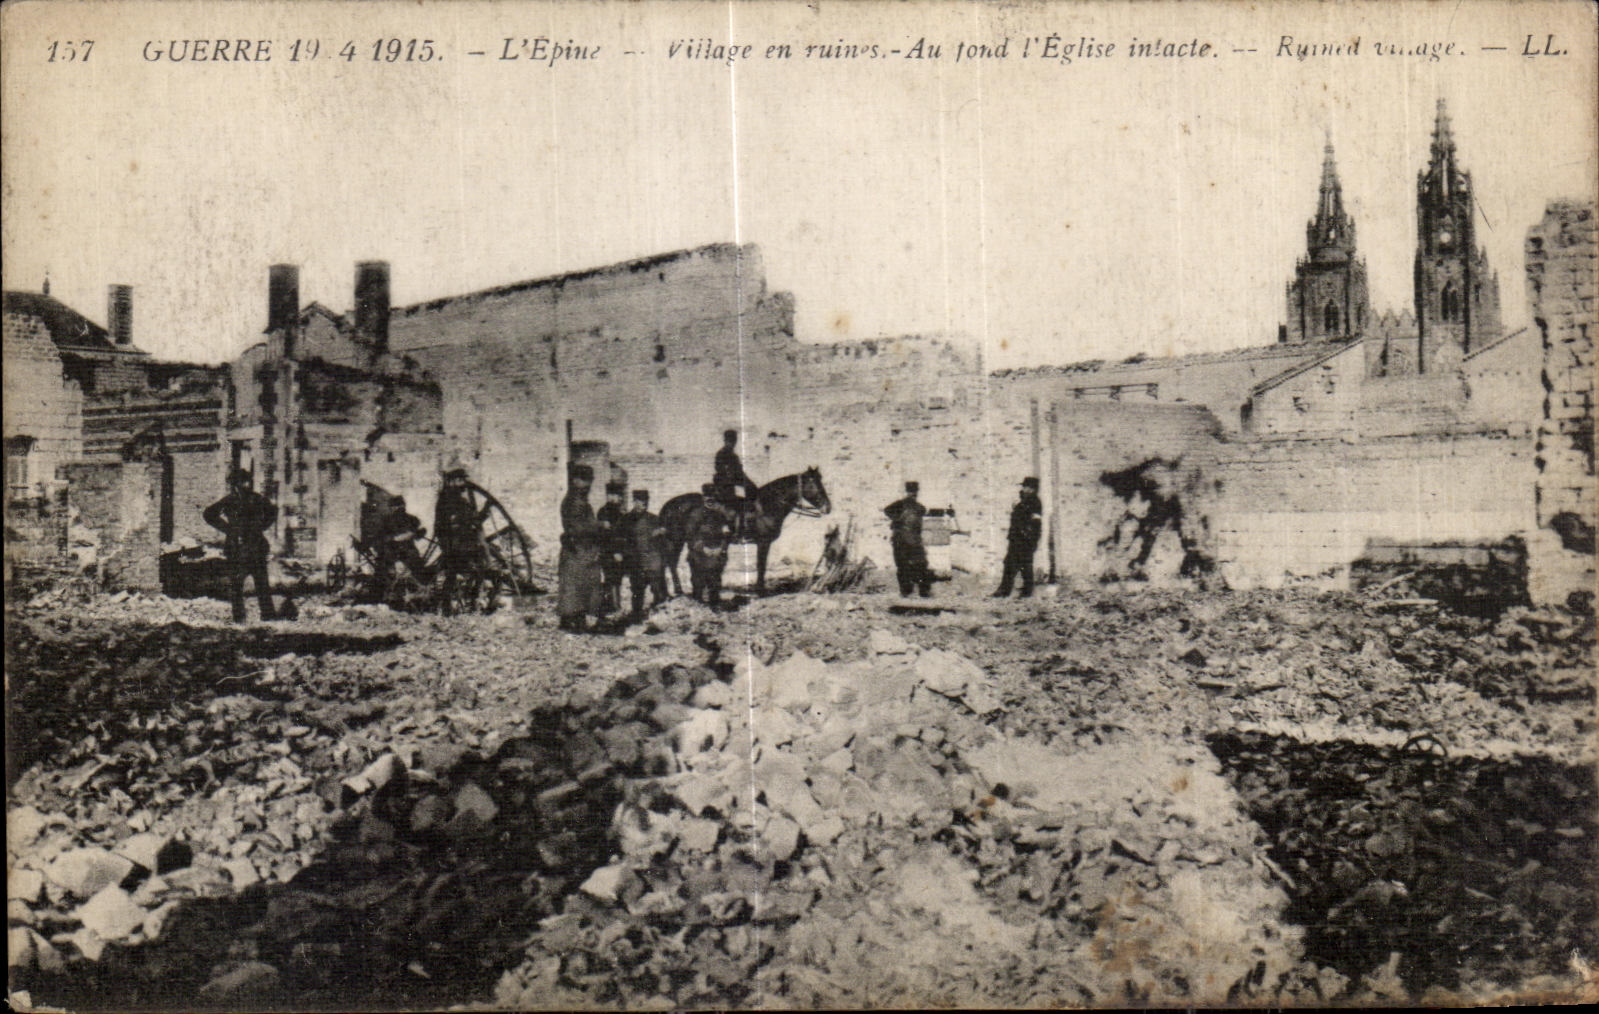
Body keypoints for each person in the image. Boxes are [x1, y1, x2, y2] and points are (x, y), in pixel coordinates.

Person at [204, 467, 278, 622]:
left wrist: (261, 527)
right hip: (238, 548)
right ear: (234, 484)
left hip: (254, 546)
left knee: (261, 583)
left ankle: (268, 616)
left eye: (245, 482)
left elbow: (272, 511)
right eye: (239, 483)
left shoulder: (257, 499)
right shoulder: (230, 500)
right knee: (237, 585)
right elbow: (209, 513)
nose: (243, 485)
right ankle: (240, 618)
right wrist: (228, 530)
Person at [557, 464, 608, 631]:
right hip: (578, 549)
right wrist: (600, 525)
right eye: (584, 481)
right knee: (574, 584)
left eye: (589, 481)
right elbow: (578, 527)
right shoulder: (575, 502)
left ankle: (578, 619)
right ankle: (571, 620)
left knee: (584, 584)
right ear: (575, 480)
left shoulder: (578, 500)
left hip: (582, 549)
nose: (588, 485)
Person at [433, 468, 481, 615]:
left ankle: (464, 602)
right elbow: (451, 522)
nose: (463, 483)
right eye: (460, 480)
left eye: (463, 480)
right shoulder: (448, 498)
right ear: (452, 481)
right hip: (454, 543)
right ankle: (452, 606)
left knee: (458, 573)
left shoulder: (455, 498)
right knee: (455, 573)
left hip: (459, 542)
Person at [995, 476, 1044, 598]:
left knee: (1024, 564)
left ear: (1032, 489)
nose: (1023, 488)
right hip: (1016, 538)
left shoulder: (1035, 502)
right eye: (1023, 486)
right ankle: (1006, 590)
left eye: (1026, 486)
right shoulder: (1024, 501)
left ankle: (1024, 591)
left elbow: (1036, 523)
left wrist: (1031, 538)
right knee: (1011, 563)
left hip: (1024, 539)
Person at [623, 489, 669, 619]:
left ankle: (658, 615)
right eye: (638, 501)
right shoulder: (626, 520)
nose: (642, 504)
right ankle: (636, 614)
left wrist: (661, 533)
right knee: (637, 588)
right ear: (634, 502)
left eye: (644, 502)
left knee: (657, 587)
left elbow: (663, 541)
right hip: (635, 559)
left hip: (652, 559)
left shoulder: (654, 519)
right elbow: (621, 539)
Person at [883, 480, 932, 598]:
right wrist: (897, 520)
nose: (913, 494)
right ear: (908, 492)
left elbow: (924, 513)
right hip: (902, 539)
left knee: (919, 564)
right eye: (911, 492)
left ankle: (921, 591)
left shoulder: (919, 507)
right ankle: (907, 591)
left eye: (914, 492)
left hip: (912, 539)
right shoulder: (900, 504)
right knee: (904, 565)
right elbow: (887, 510)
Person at [712, 429, 758, 538]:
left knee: (750, 496)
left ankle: (747, 526)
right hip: (724, 486)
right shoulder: (721, 454)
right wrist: (736, 482)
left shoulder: (734, 456)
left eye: (733, 441)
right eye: (730, 440)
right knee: (737, 505)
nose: (732, 443)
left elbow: (739, 472)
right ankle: (736, 531)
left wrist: (750, 484)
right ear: (725, 441)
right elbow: (723, 471)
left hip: (732, 485)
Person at [596, 480, 628, 612]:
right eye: (610, 495)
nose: (613, 498)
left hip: (618, 551)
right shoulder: (604, 512)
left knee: (616, 577)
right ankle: (614, 606)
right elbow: (606, 534)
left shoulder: (620, 512)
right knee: (611, 577)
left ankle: (613, 604)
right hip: (608, 550)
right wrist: (615, 551)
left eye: (615, 495)